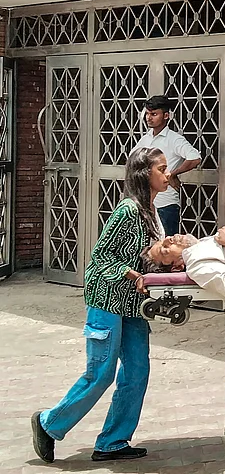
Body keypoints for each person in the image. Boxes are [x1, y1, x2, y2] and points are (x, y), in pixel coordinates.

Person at [32, 147, 169, 464]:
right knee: (102, 373)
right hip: (107, 299)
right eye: (161, 168)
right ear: (143, 174)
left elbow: (146, 255)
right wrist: (130, 272)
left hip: (133, 304)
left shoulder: (153, 211)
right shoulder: (127, 211)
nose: (167, 174)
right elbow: (100, 258)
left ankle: (112, 441)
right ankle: (48, 423)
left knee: (137, 371)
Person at [132, 95, 202, 236]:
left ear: (166, 116)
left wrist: (173, 174)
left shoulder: (174, 139)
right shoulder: (145, 139)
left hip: (165, 203)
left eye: (154, 114)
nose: (149, 118)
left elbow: (194, 158)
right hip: (144, 203)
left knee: (166, 246)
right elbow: (132, 161)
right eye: (147, 114)